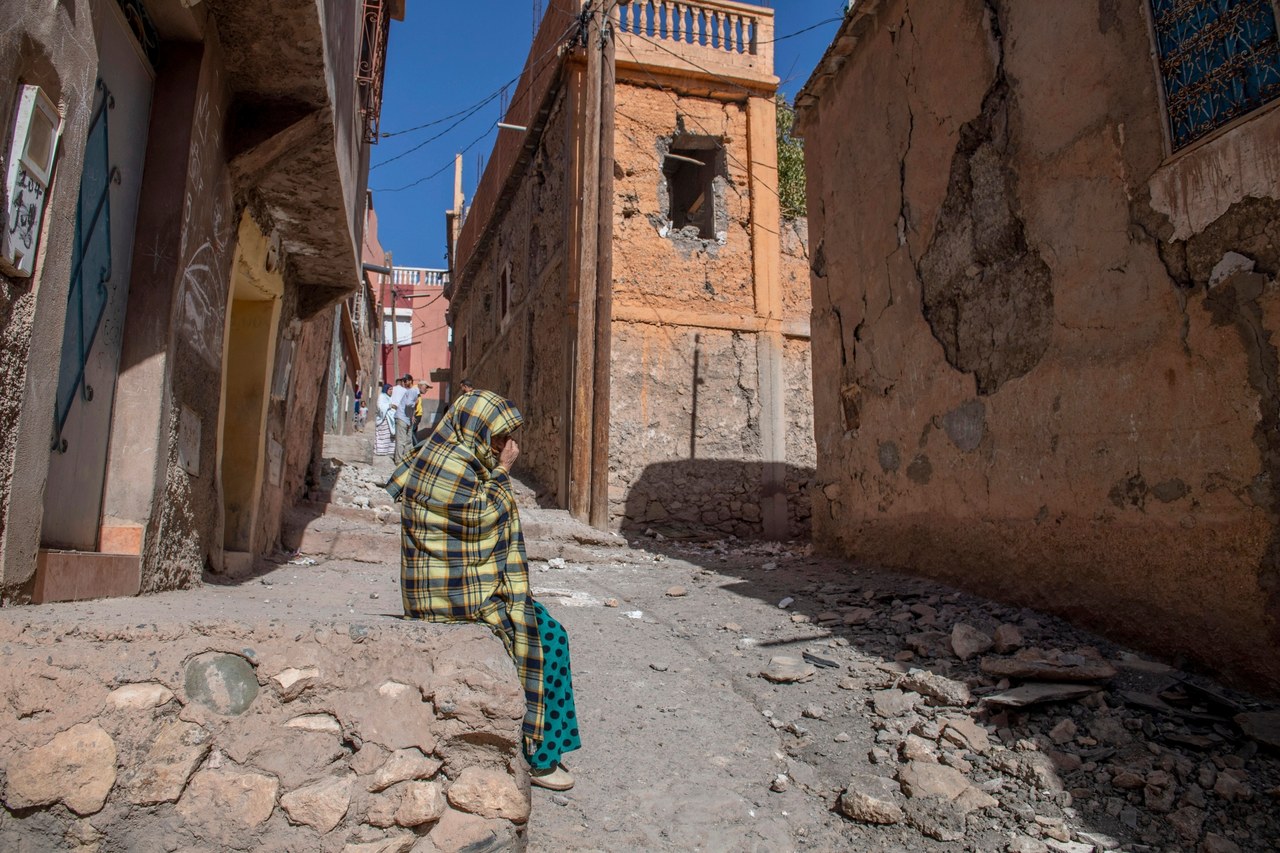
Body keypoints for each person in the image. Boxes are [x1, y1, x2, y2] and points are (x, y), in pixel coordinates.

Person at [385, 390, 580, 791]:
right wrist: (504, 472)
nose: (506, 447)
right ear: (474, 429)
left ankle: (545, 748)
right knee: (545, 640)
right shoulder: (448, 468)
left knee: (550, 632)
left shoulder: (453, 457)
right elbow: (483, 519)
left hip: (464, 584)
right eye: (498, 438)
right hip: (452, 597)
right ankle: (540, 758)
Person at [373, 383, 394, 456]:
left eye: (392, 389)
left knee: (389, 436)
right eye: (390, 389)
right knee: (383, 436)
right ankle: (380, 451)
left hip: (389, 420)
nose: (391, 391)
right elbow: (380, 407)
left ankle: (388, 451)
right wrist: (389, 406)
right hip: (383, 420)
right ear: (386, 389)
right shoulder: (382, 396)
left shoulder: (389, 397)